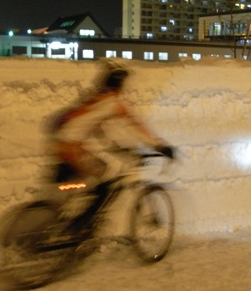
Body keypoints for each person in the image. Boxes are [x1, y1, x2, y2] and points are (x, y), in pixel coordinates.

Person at [50, 60, 174, 194]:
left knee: (95, 178)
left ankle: (71, 203)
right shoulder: (113, 103)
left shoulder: (96, 98)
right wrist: (159, 146)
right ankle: (83, 212)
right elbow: (135, 125)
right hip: (72, 147)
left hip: (61, 143)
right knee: (101, 173)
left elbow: (99, 130)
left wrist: (118, 148)